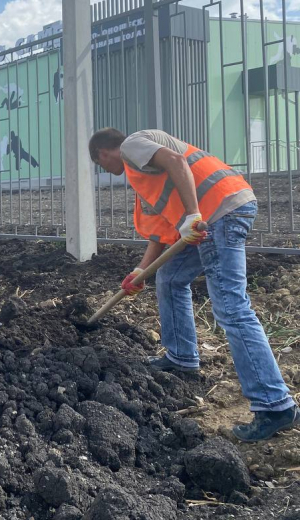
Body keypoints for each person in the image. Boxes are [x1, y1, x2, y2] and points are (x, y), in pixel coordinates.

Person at [89, 128, 299, 442]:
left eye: (99, 162)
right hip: (210, 215)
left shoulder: (132, 145)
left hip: (218, 214)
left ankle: (274, 404)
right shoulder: (142, 174)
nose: (103, 168)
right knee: (170, 278)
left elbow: (176, 161)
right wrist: (139, 272)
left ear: (103, 153)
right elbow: (161, 234)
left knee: (231, 307)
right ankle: (181, 357)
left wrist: (192, 214)